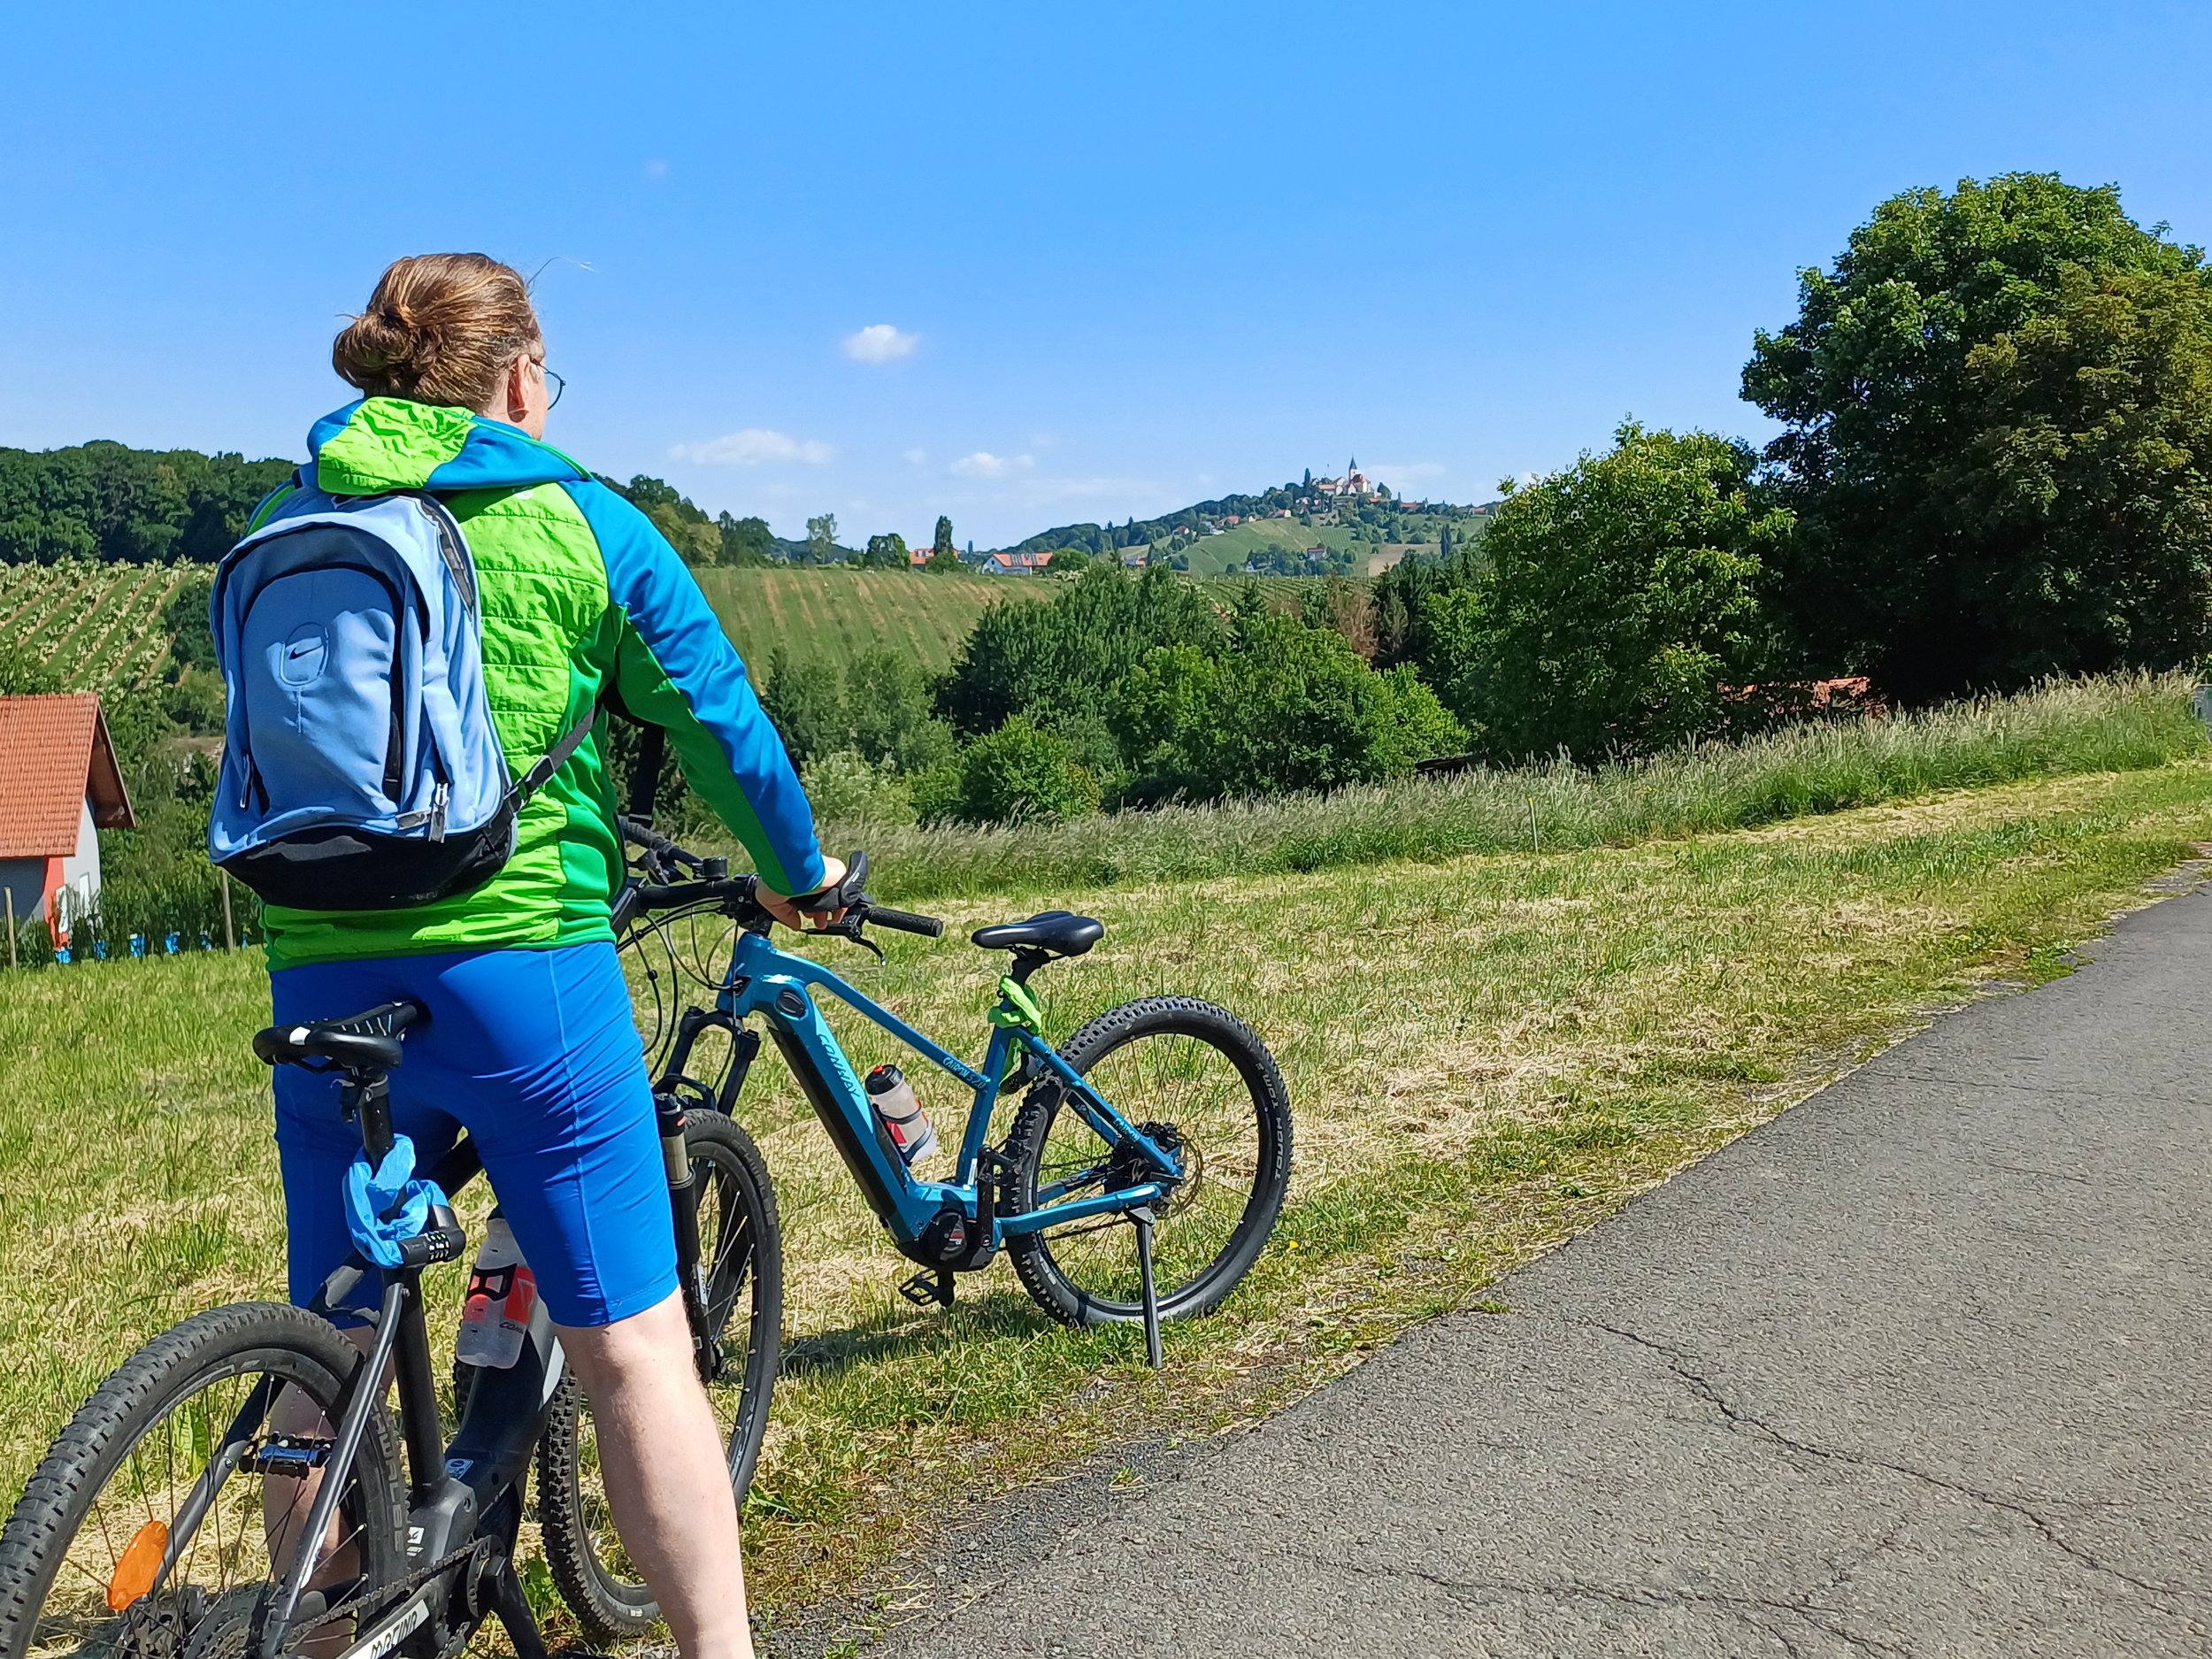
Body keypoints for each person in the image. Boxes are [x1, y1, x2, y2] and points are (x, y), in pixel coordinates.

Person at [262, 252, 836, 1659]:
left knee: (327, 1343)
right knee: (632, 1347)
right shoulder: (586, 523)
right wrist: (800, 872)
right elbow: (721, 719)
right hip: (524, 969)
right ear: (520, 378)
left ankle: (315, 1633)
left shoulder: (291, 519)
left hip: (319, 965)